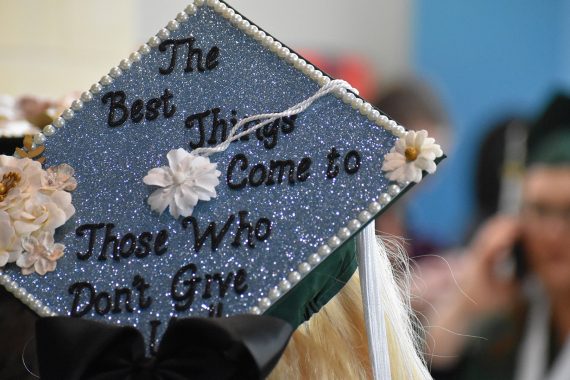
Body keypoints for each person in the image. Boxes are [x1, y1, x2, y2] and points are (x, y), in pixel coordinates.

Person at [427, 93, 570, 380]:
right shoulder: (509, 334)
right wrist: (466, 304)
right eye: (540, 210)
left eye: (569, 212)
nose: (554, 232)